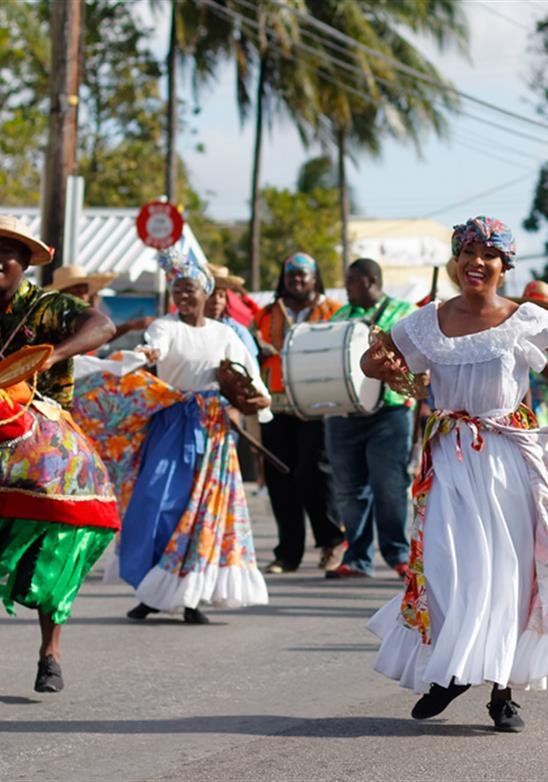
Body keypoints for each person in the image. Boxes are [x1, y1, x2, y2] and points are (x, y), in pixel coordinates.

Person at [362, 216, 548, 732]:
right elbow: (372, 363)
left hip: (508, 463)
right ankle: (453, 670)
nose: (476, 263)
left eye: (489, 255)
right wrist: (386, 365)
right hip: (449, 459)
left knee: (507, 576)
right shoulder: (426, 321)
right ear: (455, 260)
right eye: (467, 253)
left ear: (504, 266)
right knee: (448, 566)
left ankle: (503, 693)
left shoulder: (528, 320)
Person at [0, 215, 120, 692]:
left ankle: (50, 651)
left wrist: (50, 354)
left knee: (59, 541)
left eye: (7, 250)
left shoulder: (47, 308)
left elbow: (103, 324)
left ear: (26, 261)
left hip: (45, 440)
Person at [120, 248, 270, 624]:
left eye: (190, 288)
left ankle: (190, 597)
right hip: (172, 423)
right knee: (157, 500)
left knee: (204, 509)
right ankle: (153, 589)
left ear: (206, 292)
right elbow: (157, 347)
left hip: (213, 430)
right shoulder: (165, 327)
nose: (183, 296)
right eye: (178, 290)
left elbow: (251, 380)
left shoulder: (224, 334)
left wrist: (259, 401)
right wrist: (146, 352)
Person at [254, 251, 345, 574]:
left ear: (314, 277)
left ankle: (331, 543)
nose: (297, 279)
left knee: (315, 474)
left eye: (303, 274)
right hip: (275, 404)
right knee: (281, 477)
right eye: (291, 274)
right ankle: (287, 553)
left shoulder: (333, 311)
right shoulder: (266, 314)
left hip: (317, 402)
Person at [324, 258, 415, 580]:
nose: (346, 287)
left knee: (389, 486)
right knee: (349, 490)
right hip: (344, 413)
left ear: (368, 280)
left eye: (350, 281)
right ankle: (358, 558)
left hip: (389, 412)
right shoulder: (340, 316)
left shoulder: (404, 312)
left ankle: (398, 554)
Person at [46, 265, 155, 341]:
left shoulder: (84, 314)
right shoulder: (55, 317)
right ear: (63, 294)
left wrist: (128, 326)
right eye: (77, 291)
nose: (83, 295)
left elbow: (100, 337)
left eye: (85, 290)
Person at [205, 264, 259, 360]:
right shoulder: (188, 329)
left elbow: (251, 368)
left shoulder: (237, 331)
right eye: (211, 295)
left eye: (221, 295)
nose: (216, 301)